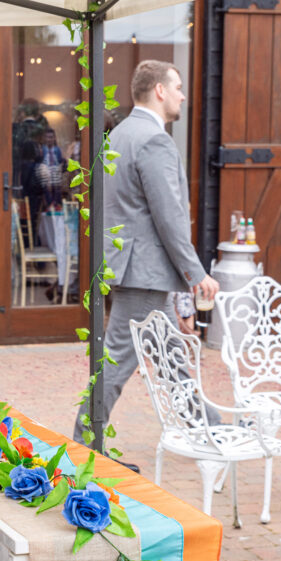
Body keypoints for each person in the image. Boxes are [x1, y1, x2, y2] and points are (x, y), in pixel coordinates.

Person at [73, 60, 219, 443]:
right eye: (178, 87)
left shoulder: (119, 134)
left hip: (132, 266)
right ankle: (83, 443)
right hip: (143, 272)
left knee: (171, 358)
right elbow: (168, 215)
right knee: (118, 361)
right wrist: (195, 273)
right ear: (159, 90)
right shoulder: (154, 139)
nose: (182, 95)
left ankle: (208, 427)